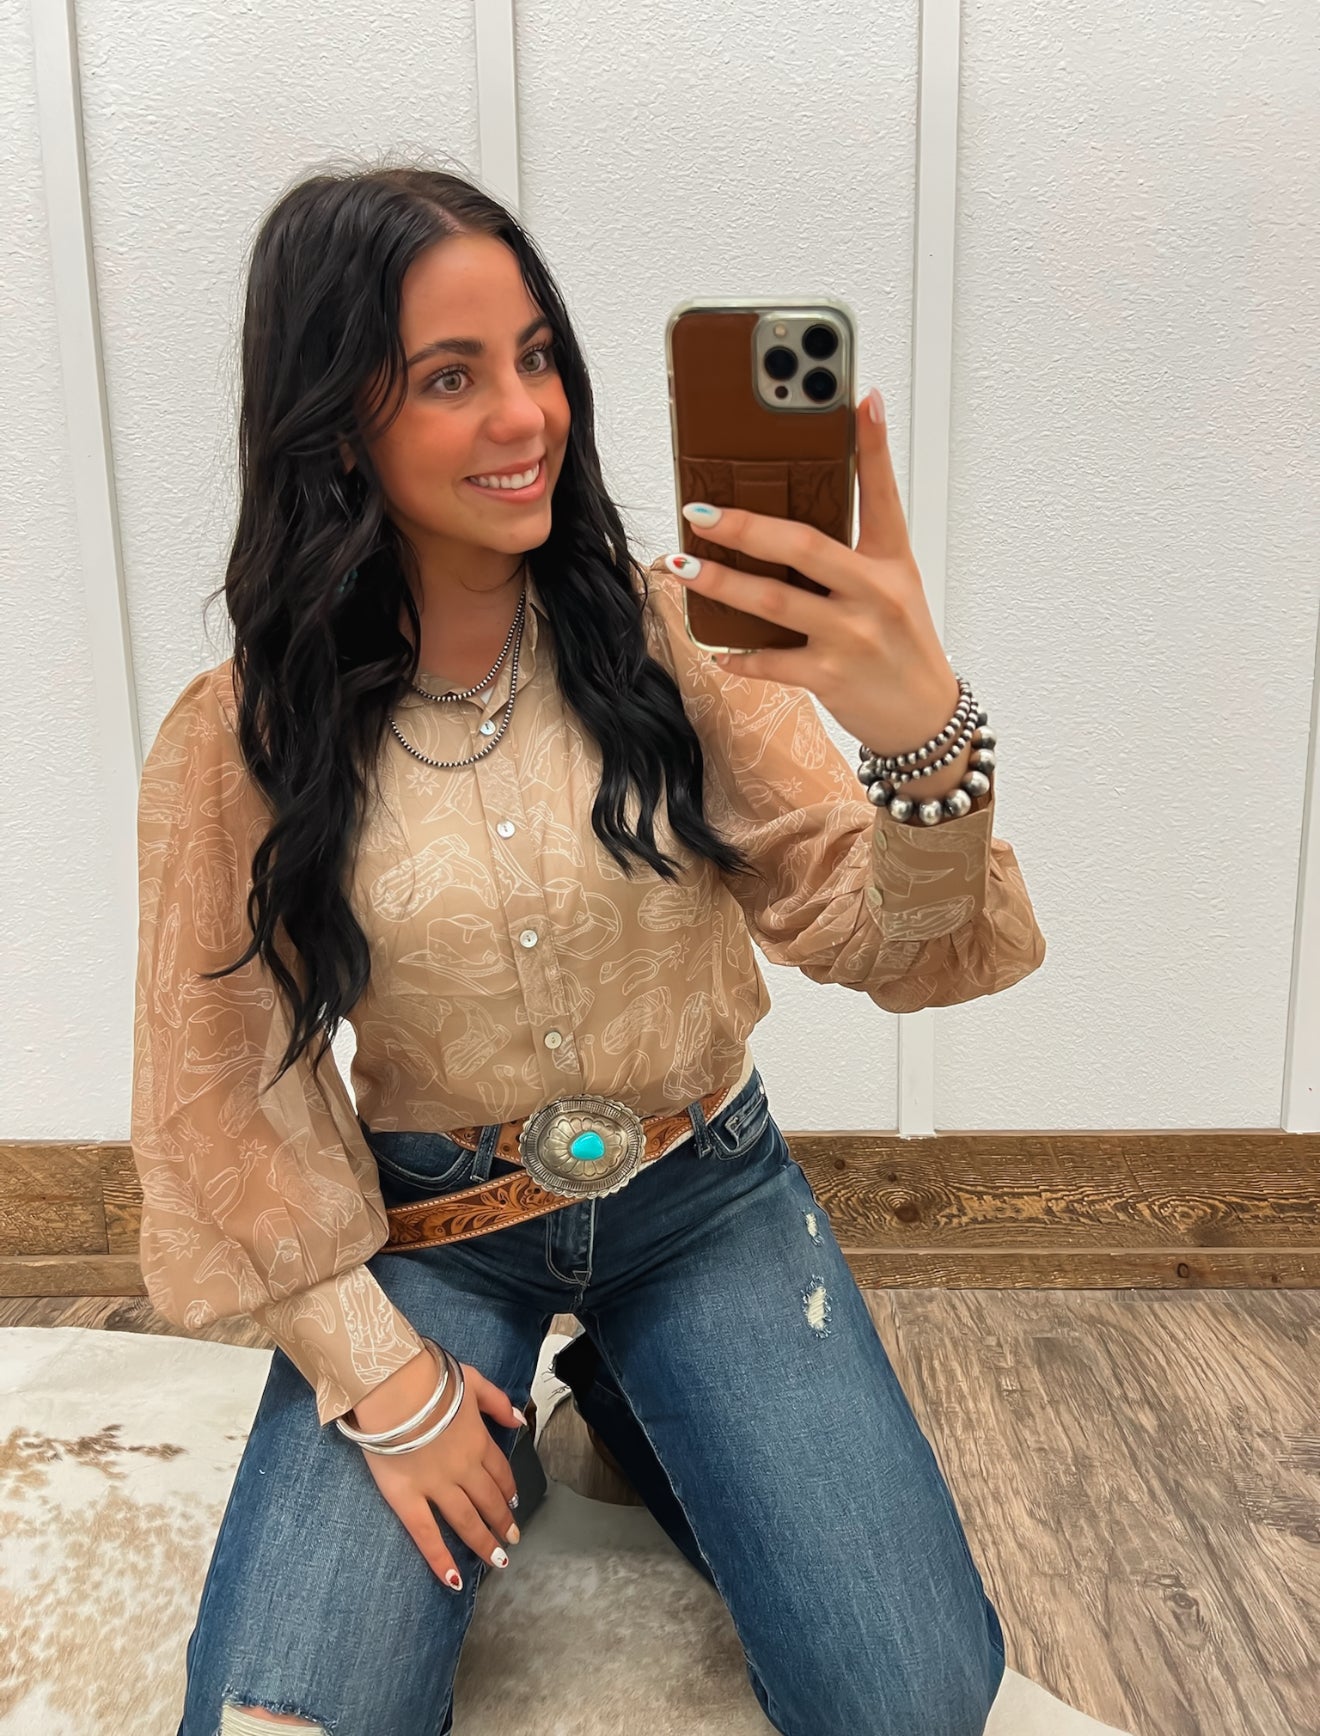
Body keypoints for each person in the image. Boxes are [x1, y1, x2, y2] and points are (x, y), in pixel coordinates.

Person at [131, 162, 1046, 1736]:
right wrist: (387, 1381)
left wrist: (922, 746)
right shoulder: (243, 736)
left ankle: (635, 1395)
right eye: (451, 377)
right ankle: (589, 1396)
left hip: (705, 1199)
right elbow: (217, 1087)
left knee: (909, 1703)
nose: (526, 416)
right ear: (335, 423)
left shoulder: (670, 638)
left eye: (539, 355)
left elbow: (882, 938)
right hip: (433, 1231)